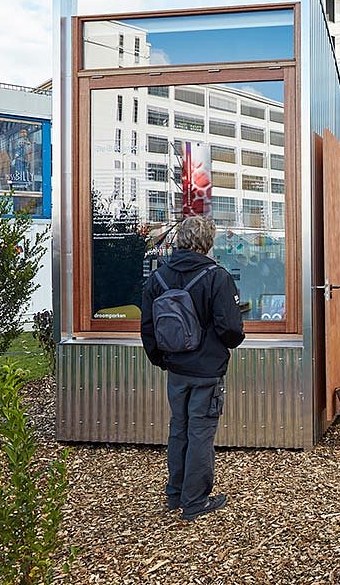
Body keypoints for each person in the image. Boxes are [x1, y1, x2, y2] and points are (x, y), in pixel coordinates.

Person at [140, 215, 245, 521]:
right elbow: (230, 330)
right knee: (200, 432)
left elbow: (147, 327)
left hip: (176, 367)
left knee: (179, 428)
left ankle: (175, 494)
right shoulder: (217, 277)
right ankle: (195, 500)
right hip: (207, 370)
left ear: (179, 240)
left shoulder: (159, 277)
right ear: (208, 242)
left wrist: (161, 359)